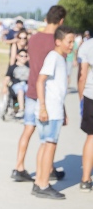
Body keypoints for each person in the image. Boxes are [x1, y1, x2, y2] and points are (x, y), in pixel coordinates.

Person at [11, 5, 67, 182]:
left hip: (31, 89)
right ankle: (47, 170)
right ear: (61, 21)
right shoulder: (57, 42)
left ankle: (18, 167)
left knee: (28, 129)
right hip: (47, 95)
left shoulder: (34, 38)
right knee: (49, 138)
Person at [32, 27, 75, 199]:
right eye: (69, 41)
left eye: (73, 42)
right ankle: (43, 184)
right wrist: (43, 106)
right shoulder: (54, 57)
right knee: (50, 145)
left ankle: (39, 183)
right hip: (50, 111)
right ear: (58, 41)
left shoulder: (60, 58)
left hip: (54, 109)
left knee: (45, 144)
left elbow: (58, 89)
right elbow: (40, 81)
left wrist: (63, 110)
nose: (72, 45)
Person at [78, 35, 93, 191]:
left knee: (91, 136)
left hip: (91, 94)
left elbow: (82, 75)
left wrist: (81, 98)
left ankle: (85, 179)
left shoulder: (88, 45)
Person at [2, 49, 30, 116]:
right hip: (16, 85)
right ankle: (21, 109)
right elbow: (7, 78)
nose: (23, 58)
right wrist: (5, 86)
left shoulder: (29, 67)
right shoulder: (12, 67)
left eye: (25, 56)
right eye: (21, 56)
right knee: (20, 90)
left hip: (26, 85)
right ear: (17, 56)